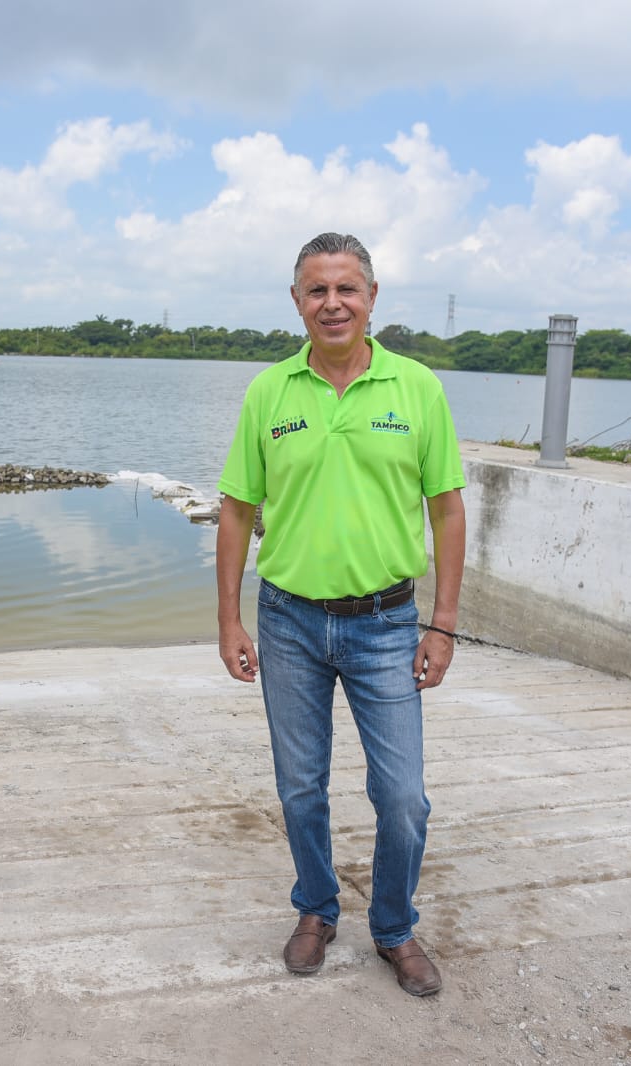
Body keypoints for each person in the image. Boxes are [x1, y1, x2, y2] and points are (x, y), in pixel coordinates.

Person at [215, 232, 467, 997]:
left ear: (372, 297)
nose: (332, 304)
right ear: (296, 302)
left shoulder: (417, 387)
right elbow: (234, 512)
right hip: (289, 620)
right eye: (316, 291)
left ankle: (392, 926)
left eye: (346, 289)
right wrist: (229, 618)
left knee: (402, 797)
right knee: (300, 787)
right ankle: (316, 909)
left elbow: (448, 512)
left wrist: (444, 623)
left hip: (387, 623)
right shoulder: (269, 393)